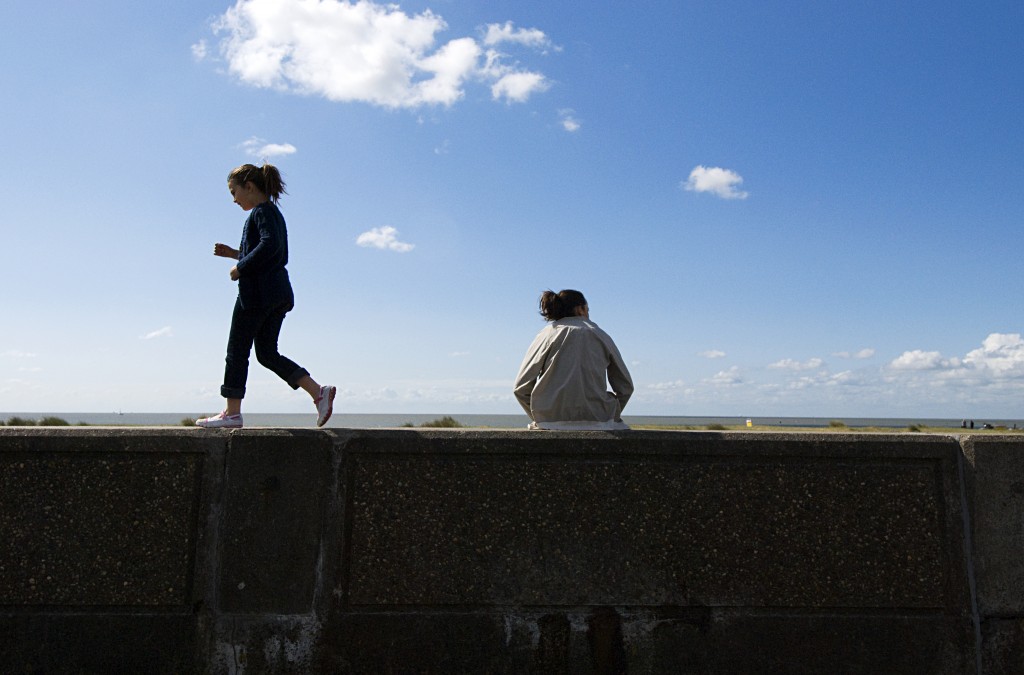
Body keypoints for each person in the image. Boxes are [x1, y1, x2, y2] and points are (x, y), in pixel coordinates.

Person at [196, 163, 335, 429]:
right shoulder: (272, 213)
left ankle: (232, 413)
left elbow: (269, 246)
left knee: (237, 350)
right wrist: (235, 253)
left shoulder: (261, 212)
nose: (233, 199)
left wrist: (240, 267)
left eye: (234, 191)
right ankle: (318, 392)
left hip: (258, 294)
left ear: (249, 187)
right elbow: (272, 251)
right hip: (277, 293)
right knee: (267, 353)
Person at [514, 289, 633, 430]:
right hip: (599, 421)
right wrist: (609, 414)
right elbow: (626, 387)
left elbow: (521, 387)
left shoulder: (547, 335)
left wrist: (541, 416)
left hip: (549, 422)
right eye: (588, 310)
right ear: (580, 309)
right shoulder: (600, 335)